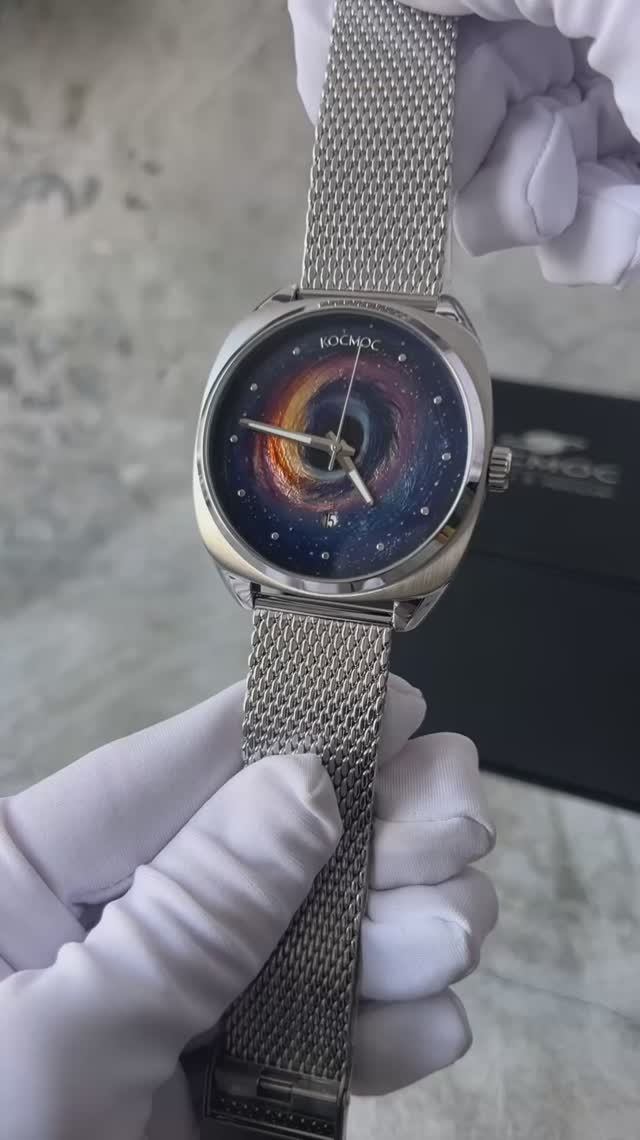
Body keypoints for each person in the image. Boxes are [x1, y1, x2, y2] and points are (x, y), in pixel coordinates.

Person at [1, 1, 637, 1138]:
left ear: (480, 469)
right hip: (285, 574)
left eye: (345, 445)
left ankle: (266, 1084)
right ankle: (266, 1087)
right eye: (320, 447)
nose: (335, 448)